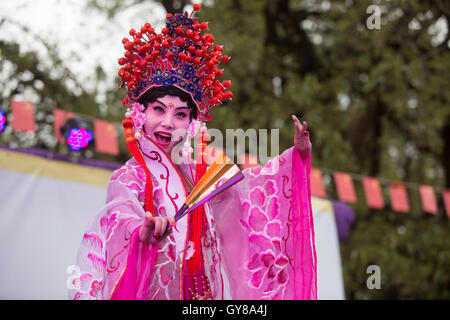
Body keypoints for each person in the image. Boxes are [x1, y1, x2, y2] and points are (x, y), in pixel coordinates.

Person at [68, 4, 316, 300]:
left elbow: (249, 198)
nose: (168, 123)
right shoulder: (129, 178)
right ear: (139, 113)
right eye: (158, 109)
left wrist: (293, 158)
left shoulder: (202, 175)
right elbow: (120, 214)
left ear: (191, 123)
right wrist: (141, 232)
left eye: (181, 115)